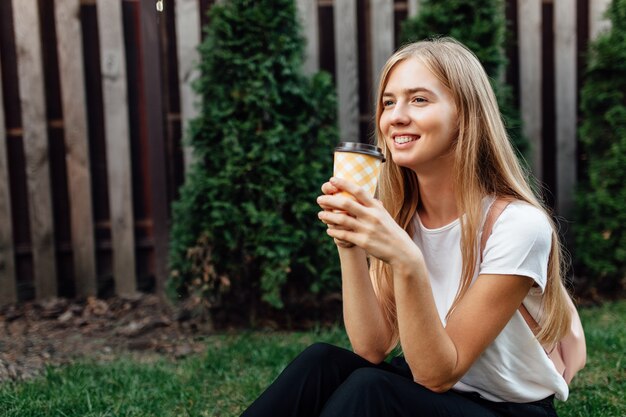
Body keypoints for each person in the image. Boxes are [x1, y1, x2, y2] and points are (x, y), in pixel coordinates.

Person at [240, 37, 573, 417]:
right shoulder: (401, 215)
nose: (395, 116)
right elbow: (372, 347)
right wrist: (350, 243)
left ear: (464, 115)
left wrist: (407, 261)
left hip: (505, 409)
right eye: (388, 102)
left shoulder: (518, 226)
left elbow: (438, 375)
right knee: (321, 362)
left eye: (419, 99)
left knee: (371, 388)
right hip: (432, 392)